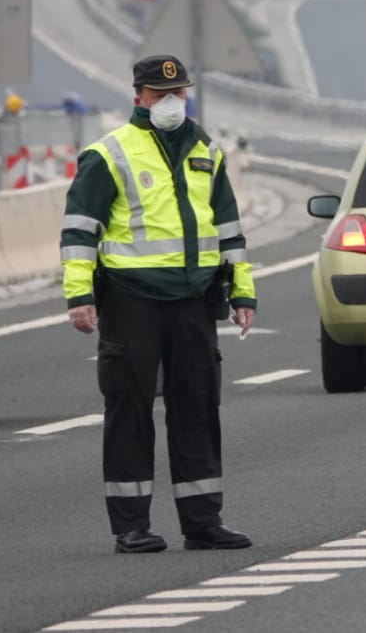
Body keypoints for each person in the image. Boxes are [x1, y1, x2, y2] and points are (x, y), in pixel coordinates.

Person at [61, 54, 258, 555]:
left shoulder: (206, 151)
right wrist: (79, 296)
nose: (170, 102)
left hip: (194, 302)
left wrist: (242, 291)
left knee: (197, 407)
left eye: (178, 93)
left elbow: (229, 227)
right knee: (130, 411)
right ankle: (131, 526)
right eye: (159, 94)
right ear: (138, 97)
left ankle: (203, 522)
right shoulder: (109, 154)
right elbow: (80, 231)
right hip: (133, 301)